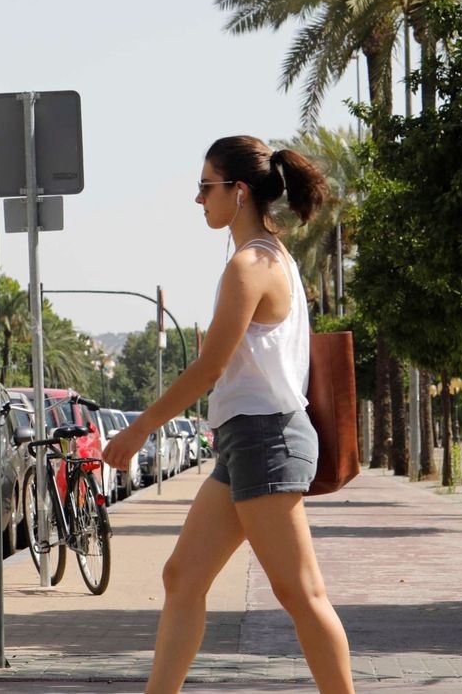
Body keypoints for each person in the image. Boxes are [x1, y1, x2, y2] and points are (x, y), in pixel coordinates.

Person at [102, 135, 354, 694]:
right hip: (246, 441)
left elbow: (210, 368)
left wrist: (141, 427)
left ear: (238, 192)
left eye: (205, 187)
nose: (198, 200)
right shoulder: (268, 256)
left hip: (268, 438)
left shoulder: (252, 265)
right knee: (182, 577)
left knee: (302, 594)